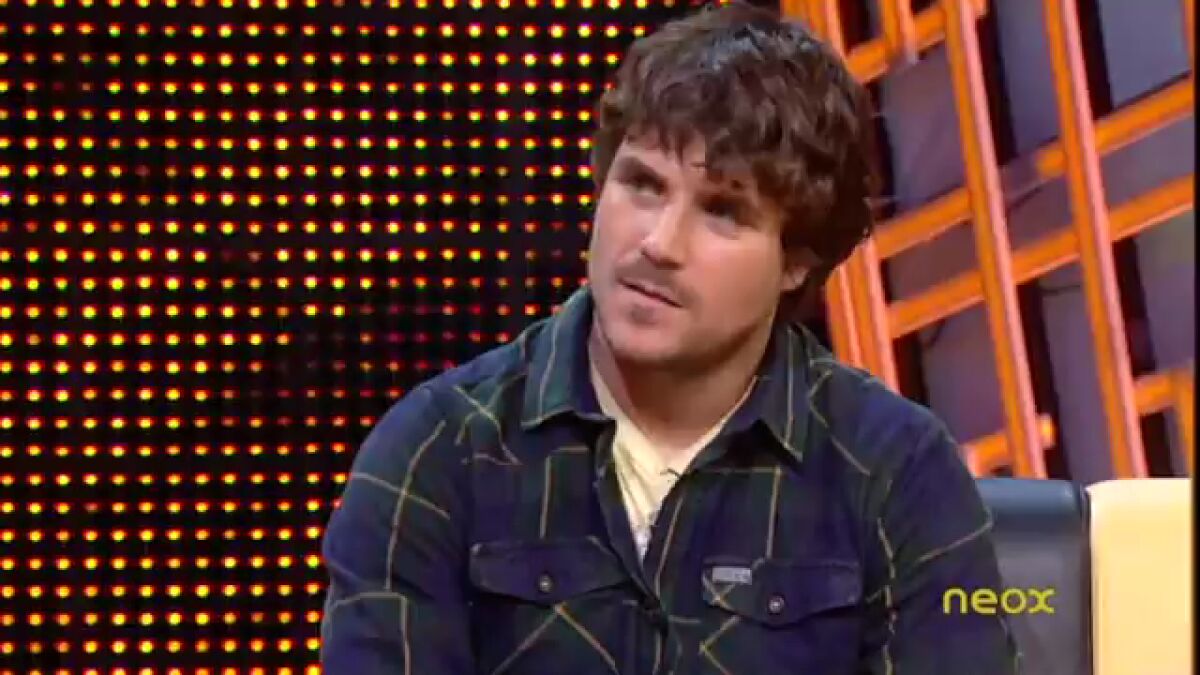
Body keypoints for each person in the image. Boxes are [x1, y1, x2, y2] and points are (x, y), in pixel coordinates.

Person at [319, 2, 1021, 673]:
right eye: (643, 184)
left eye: (723, 211)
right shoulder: (438, 452)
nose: (659, 243)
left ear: (797, 261)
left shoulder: (897, 472)